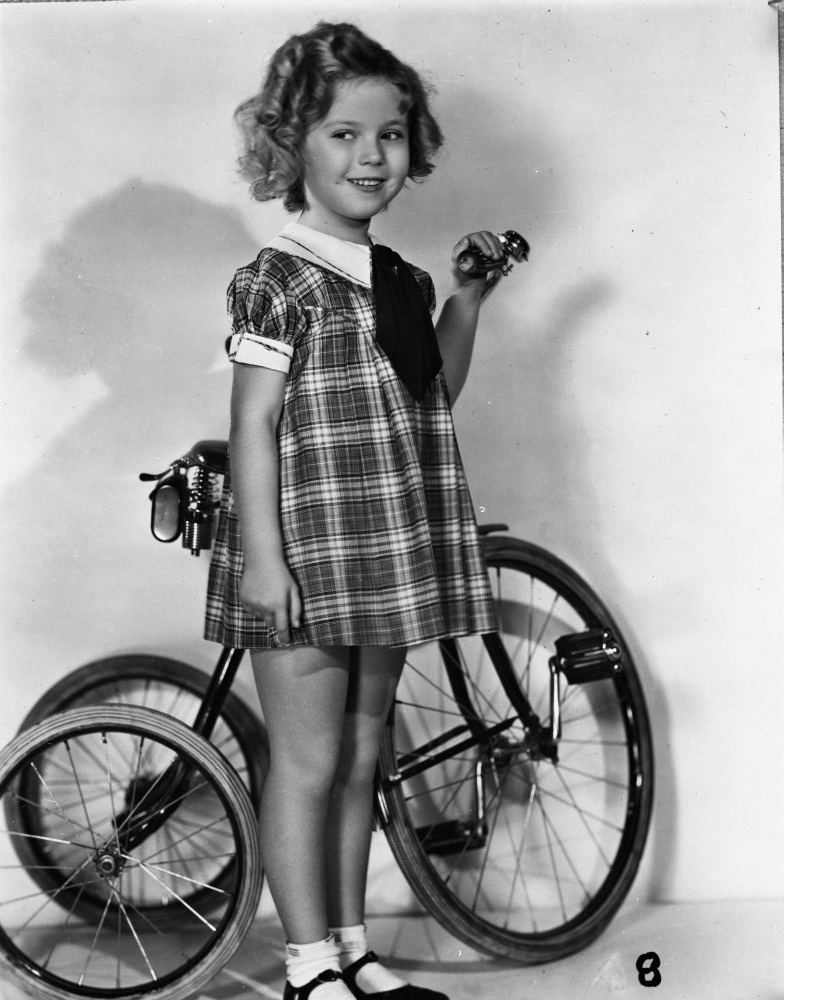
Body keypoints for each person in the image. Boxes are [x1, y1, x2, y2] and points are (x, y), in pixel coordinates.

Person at [205, 21, 508, 1000]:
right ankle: (302, 969)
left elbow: (431, 396)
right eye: (342, 134)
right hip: (299, 546)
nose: (370, 155)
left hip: (381, 540)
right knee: (307, 758)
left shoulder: (402, 281)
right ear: (292, 142)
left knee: (362, 754)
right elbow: (252, 425)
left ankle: (350, 947)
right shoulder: (278, 278)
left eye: (387, 134)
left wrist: (464, 300)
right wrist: (263, 559)